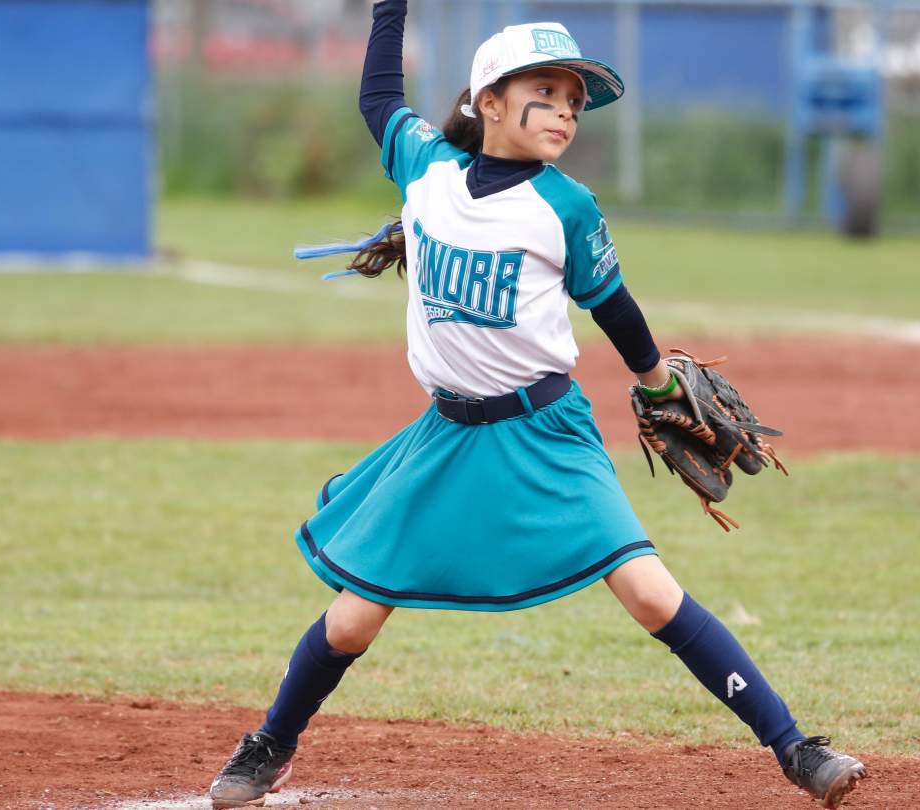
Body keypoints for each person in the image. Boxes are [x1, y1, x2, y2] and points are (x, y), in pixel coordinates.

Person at [208, 3, 867, 808]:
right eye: (546, 92)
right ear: (487, 101)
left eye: (575, 102)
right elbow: (379, 97)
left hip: (548, 433)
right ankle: (269, 746)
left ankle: (796, 749)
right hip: (446, 437)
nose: (564, 111)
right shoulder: (427, 169)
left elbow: (614, 307)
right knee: (352, 620)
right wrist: (390, 8)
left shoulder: (567, 205)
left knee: (651, 592)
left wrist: (659, 381)